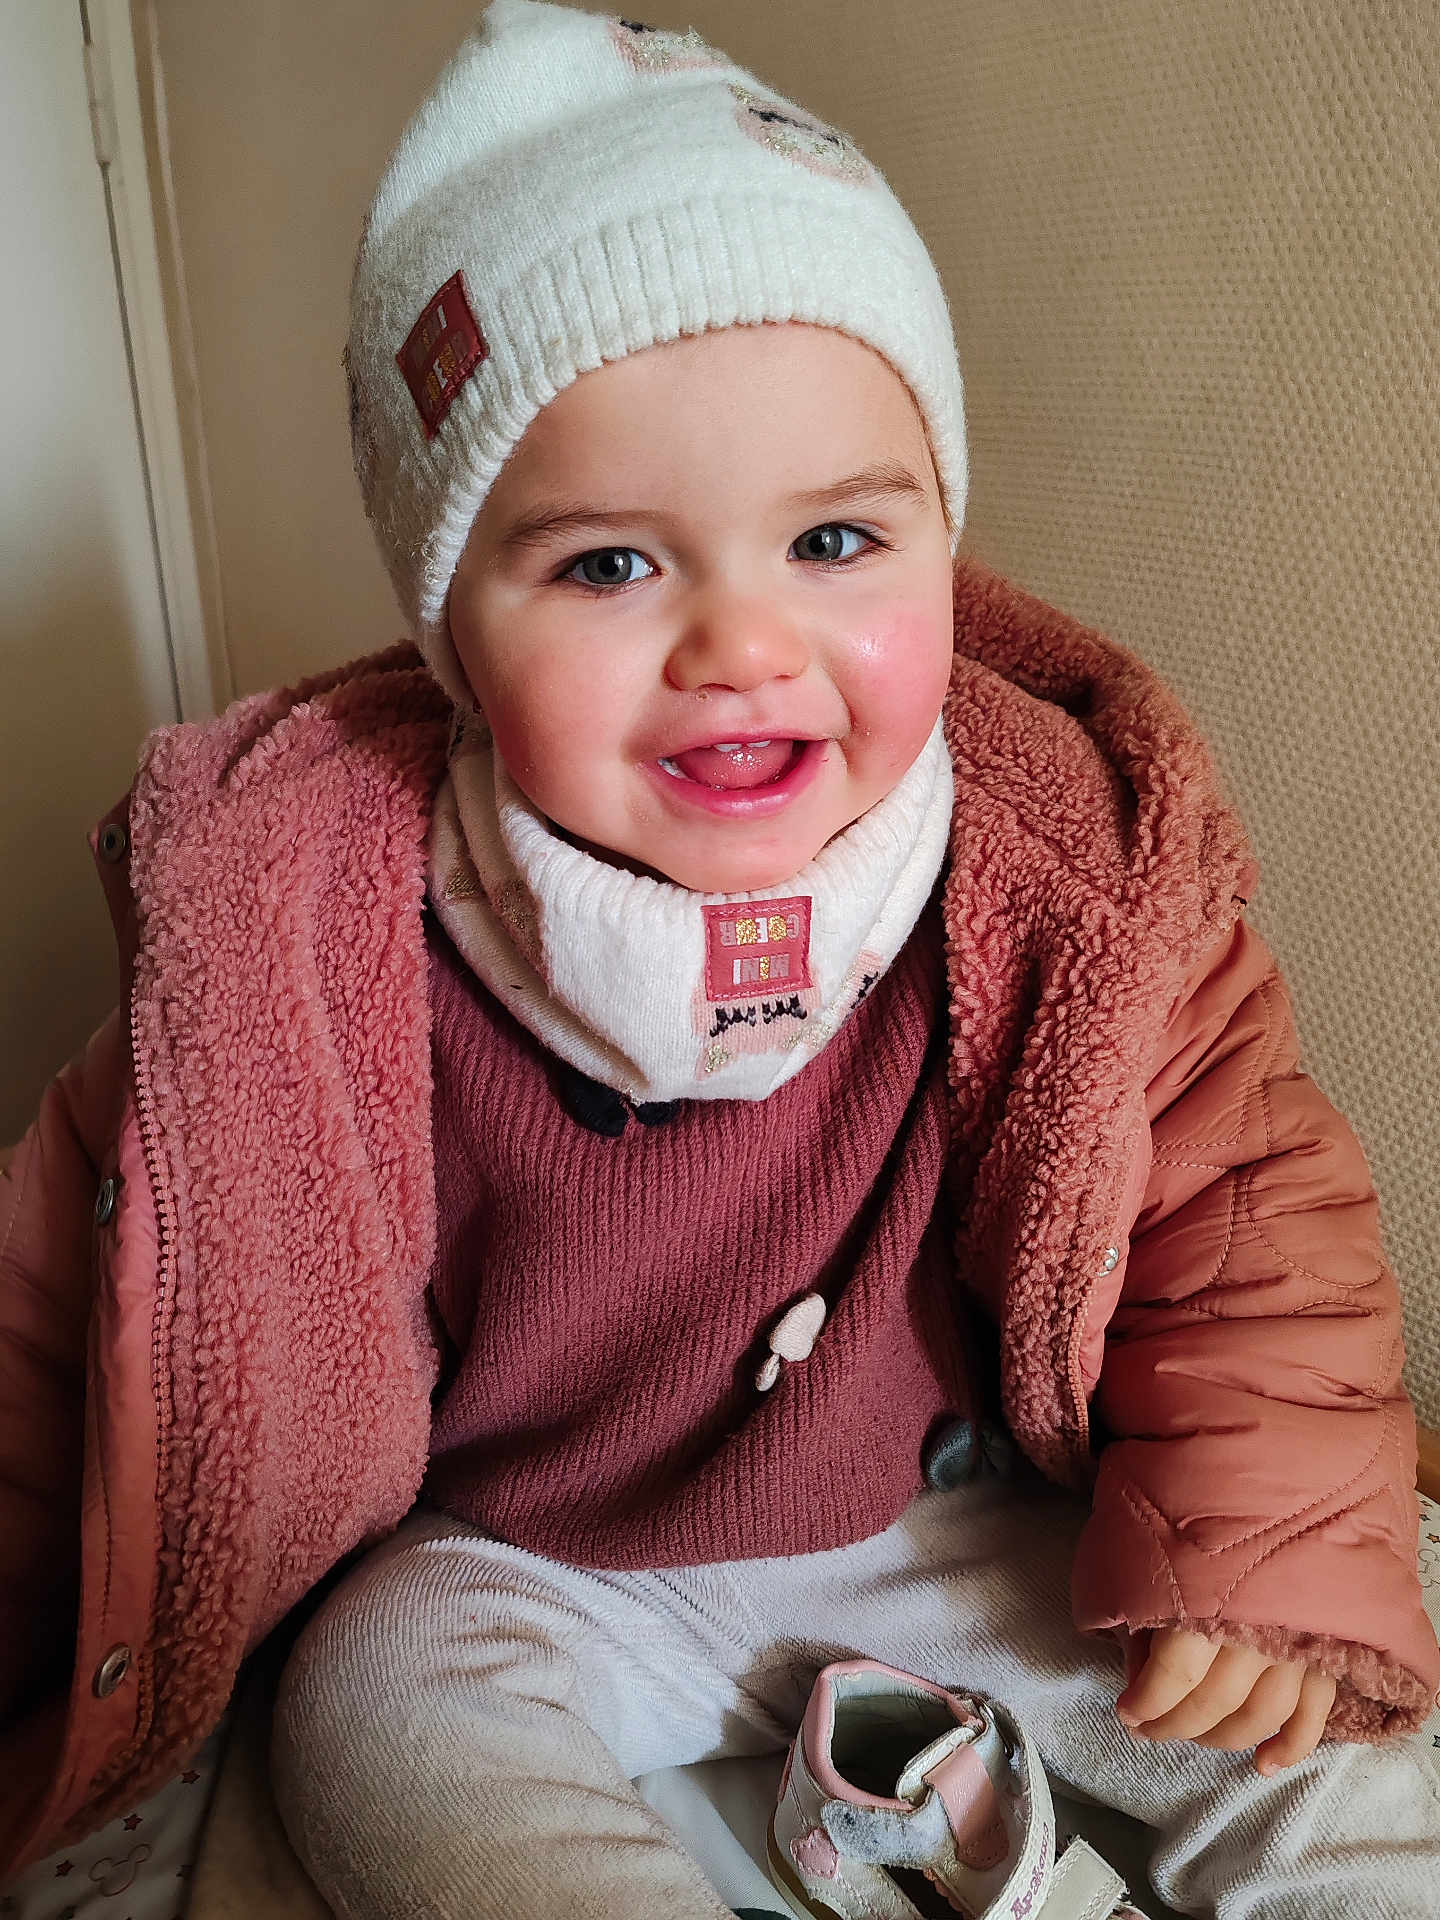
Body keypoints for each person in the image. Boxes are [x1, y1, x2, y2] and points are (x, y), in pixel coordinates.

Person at [1, 3, 1437, 1915]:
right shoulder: (301, 932)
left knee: (1287, 1714)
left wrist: (1264, 1547)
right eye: (610, 567)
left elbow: (1244, 1211)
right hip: (533, 1558)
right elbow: (83, 1306)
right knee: (372, 1706)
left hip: (930, 1517)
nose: (741, 645)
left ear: (943, 538)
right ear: (449, 628)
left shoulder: (1058, 876)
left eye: (836, 538)